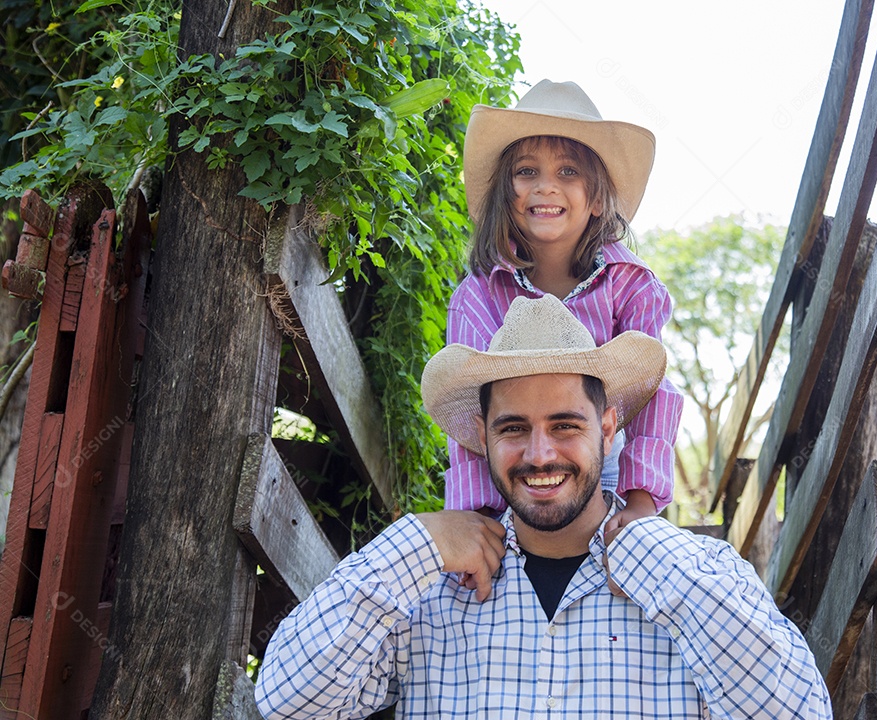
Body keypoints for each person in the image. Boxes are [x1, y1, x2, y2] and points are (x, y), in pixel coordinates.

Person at [256, 295, 832, 719]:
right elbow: (286, 702)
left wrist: (655, 557)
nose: (539, 454)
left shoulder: (700, 576)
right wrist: (415, 545)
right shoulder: (429, 594)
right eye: (513, 428)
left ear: (607, 425)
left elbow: (800, 713)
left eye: (565, 424)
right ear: (481, 436)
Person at [446, 79, 683, 535]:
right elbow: (468, 403)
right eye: (527, 171)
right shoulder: (477, 295)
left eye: (569, 172)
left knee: (625, 546)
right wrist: (475, 517)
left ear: (597, 198)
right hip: (510, 462)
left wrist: (638, 503)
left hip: (605, 459)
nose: (546, 188)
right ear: (505, 193)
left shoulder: (631, 284)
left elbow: (654, 390)